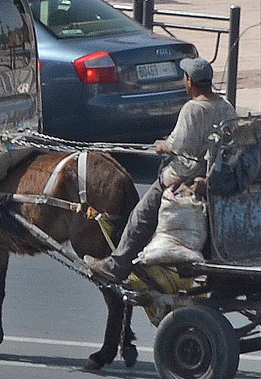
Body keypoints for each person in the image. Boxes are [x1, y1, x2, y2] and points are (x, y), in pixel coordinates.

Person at [87, 58, 238, 283]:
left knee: (140, 216)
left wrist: (162, 146)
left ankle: (117, 265)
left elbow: (177, 145)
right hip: (215, 174)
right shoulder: (227, 107)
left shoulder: (192, 108)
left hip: (183, 175)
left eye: (185, 78)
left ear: (190, 81)